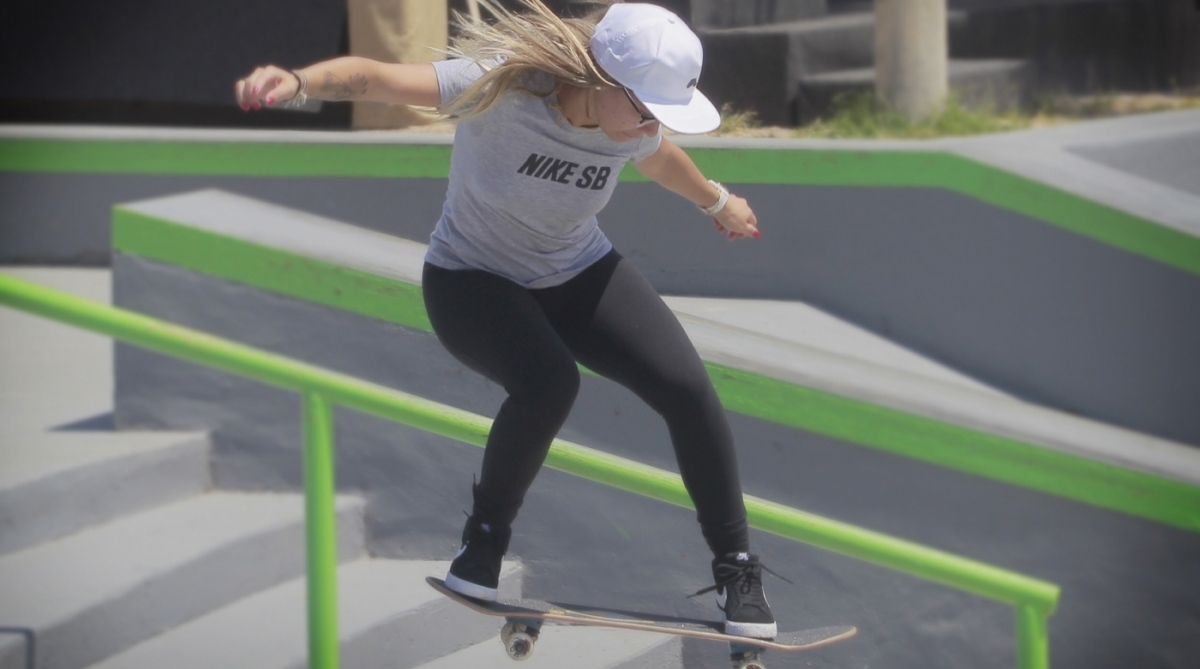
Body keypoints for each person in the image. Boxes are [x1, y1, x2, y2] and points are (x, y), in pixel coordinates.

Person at [236, 0, 777, 638]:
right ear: (601, 78)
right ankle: (483, 544)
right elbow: (380, 78)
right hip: (471, 280)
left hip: (575, 270)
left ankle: (737, 571)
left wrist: (717, 201)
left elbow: (660, 157)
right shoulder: (500, 84)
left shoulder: (631, 121)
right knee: (550, 383)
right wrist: (299, 82)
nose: (648, 127)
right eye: (644, 111)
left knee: (688, 390)